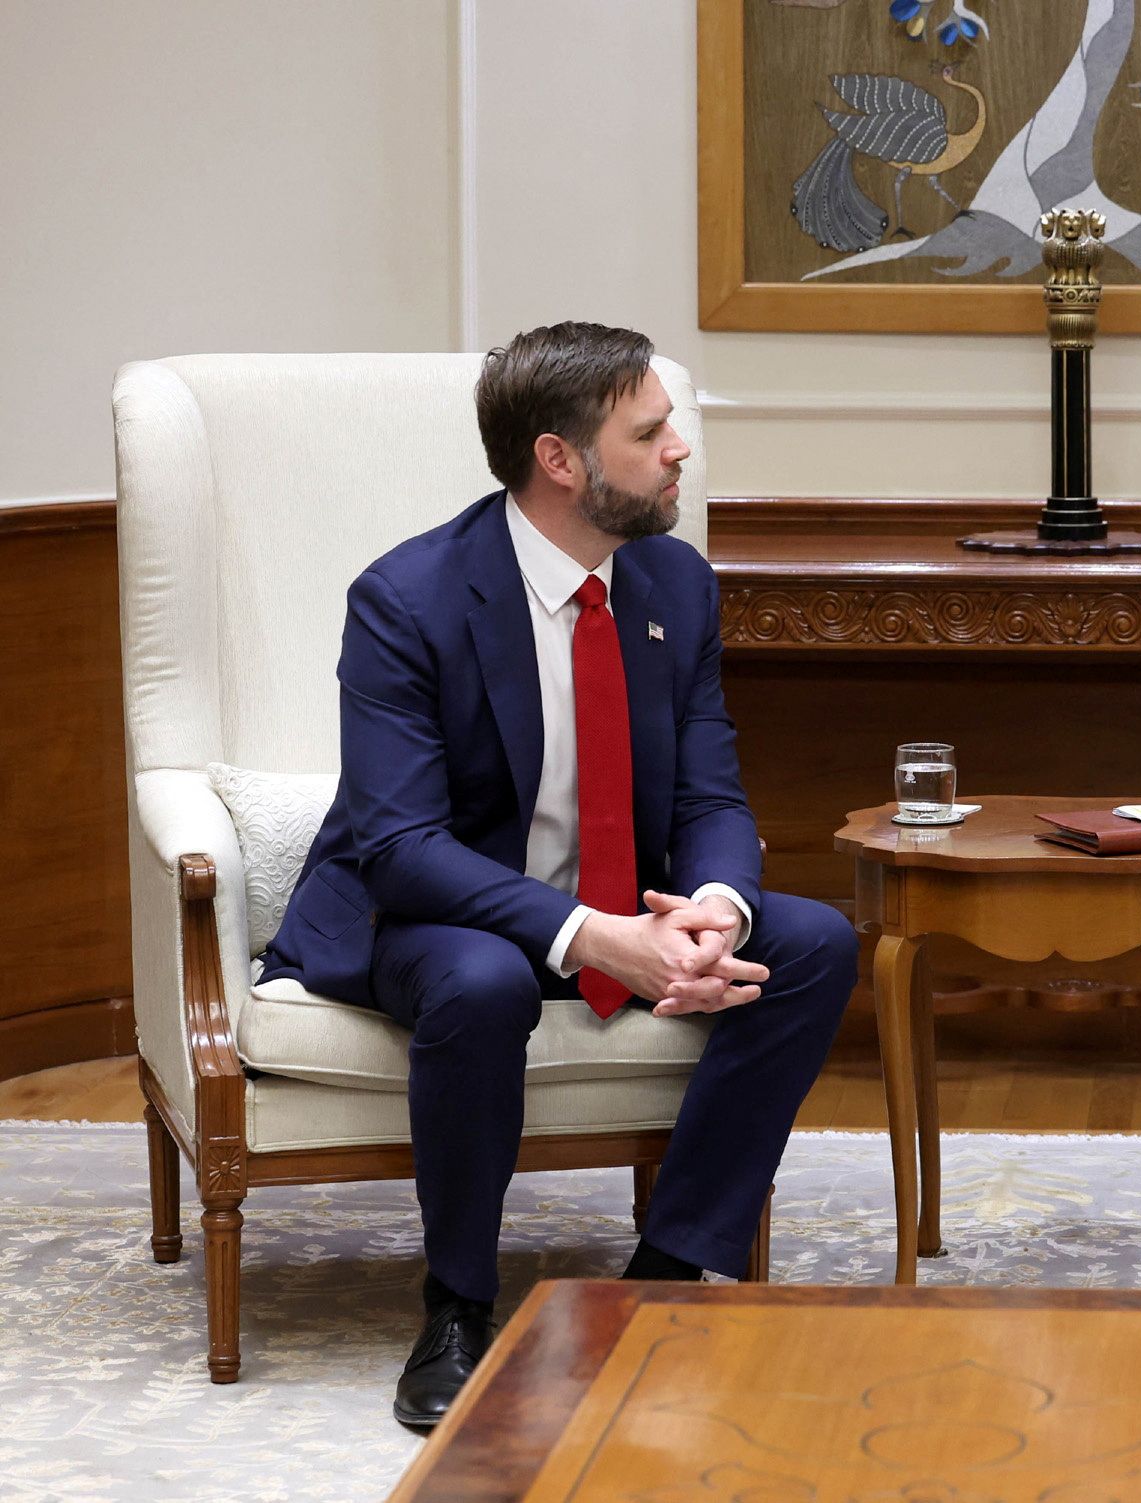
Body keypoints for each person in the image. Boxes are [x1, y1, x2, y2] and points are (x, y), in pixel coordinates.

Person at [260, 322, 856, 1429]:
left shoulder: (674, 581)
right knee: (485, 982)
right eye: (650, 430)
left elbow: (711, 796)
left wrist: (716, 909)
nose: (679, 449)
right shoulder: (409, 599)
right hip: (435, 911)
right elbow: (400, 847)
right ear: (560, 461)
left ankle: (667, 1277)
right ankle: (455, 1307)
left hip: (621, 897)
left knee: (813, 942)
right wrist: (594, 935)